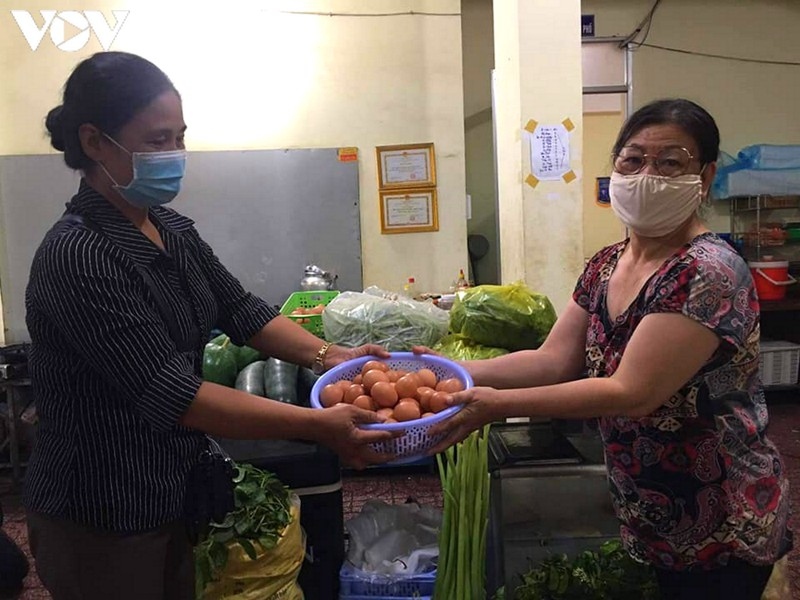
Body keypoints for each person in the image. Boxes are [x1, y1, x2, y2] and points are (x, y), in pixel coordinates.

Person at [24, 51, 396, 600]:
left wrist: (328, 357)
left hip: (173, 491)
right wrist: (317, 425)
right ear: (95, 142)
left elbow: (242, 310)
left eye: (179, 137)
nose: (174, 154)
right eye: (155, 140)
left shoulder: (171, 229)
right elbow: (175, 396)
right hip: (101, 509)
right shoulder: (79, 254)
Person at [426, 99, 793, 599]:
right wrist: (444, 371)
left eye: (670, 162)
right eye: (633, 159)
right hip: (652, 503)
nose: (647, 175)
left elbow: (630, 392)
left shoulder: (706, 271)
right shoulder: (606, 264)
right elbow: (552, 360)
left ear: (704, 176)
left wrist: (491, 406)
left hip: (719, 514)